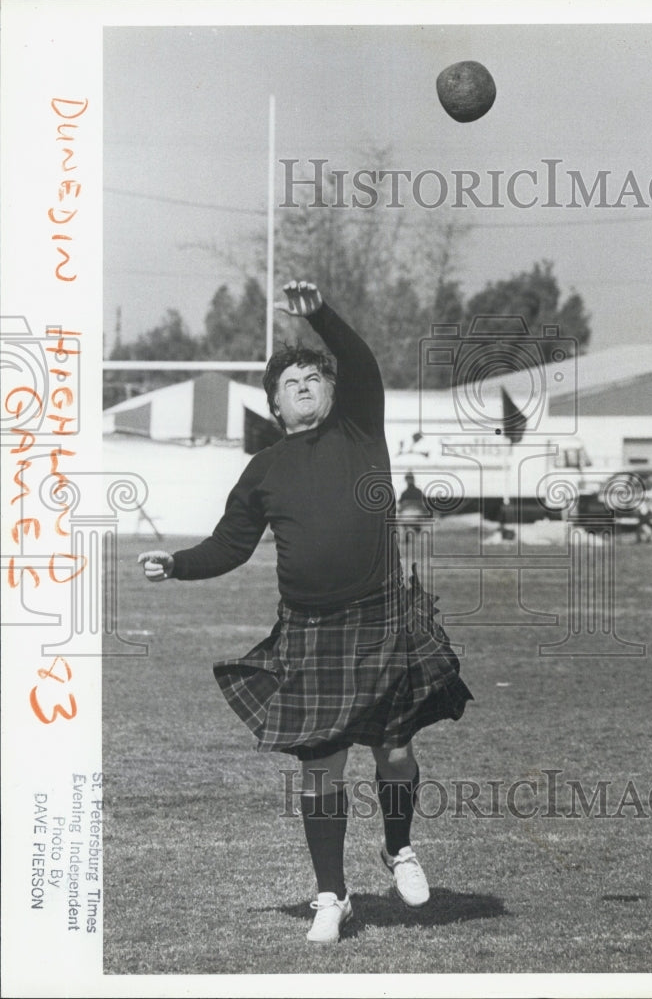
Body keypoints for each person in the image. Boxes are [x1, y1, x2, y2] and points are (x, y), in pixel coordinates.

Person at [138, 281, 472, 944]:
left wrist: (318, 314)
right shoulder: (263, 470)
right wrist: (177, 563)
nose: (306, 386)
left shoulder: (360, 429)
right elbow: (229, 547)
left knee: (397, 751)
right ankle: (332, 894)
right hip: (312, 631)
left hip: (381, 617)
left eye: (315, 377)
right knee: (321, 768)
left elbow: (362, 363)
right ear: (274, 403)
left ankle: (398, 848)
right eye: (292, 381)